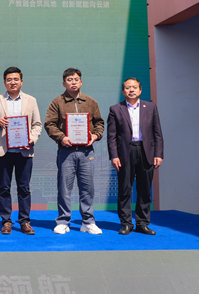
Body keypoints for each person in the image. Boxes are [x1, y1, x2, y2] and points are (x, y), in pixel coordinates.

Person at [44, 68, 105, 235]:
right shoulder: (57, 102)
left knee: (87, 188)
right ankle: (63, 221)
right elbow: (49, 124)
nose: (73, 82)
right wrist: (61, 137)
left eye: (76, 79)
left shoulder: (90, 102)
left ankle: (88, 222)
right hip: (66, 152)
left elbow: (99, 123)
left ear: (81, 82)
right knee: (64, 188)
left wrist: (96, 135)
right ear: (64, 83)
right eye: (69, 80)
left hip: (87, 152)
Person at [0, 67, 43, 235]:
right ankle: (6, 222)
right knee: (4, 187)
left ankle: (25, 221)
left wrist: (32, 139)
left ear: (21, 81)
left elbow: (37, 124)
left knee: (24, 188)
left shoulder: (31, 100)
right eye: (9, 79)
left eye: (16, 79)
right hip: (4, 151)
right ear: (4, 82)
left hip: (24, 151)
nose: (13, 82)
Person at [107, 78, 164, 235]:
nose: (131, 90)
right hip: (125, 153)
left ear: (140, 90)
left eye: (134, 87)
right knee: (124, 190)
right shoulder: (115, 109)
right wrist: (114, 156)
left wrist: (158, 154)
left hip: (147, 151)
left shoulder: (151, 107)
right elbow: (111, 136)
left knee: (144, 189)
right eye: (127, 87)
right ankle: (126, 223)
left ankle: (142, 223)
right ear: (123, 91)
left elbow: (157, 133)